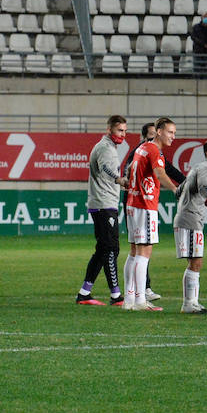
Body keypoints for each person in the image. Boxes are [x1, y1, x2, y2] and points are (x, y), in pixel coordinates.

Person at [122, 117, 179, 311]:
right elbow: (160, 173)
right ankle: (139, 300)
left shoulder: (142, 147)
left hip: (132, 202)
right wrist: (174, 189)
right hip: (145, 204)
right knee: (144, 252)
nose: (173, 136)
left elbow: (130, 170)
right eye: (170, 132)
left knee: (134, 252)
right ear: (160, 132)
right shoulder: (154, 150)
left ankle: (129, 299)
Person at [173, 139, 207, 315]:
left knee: (195, 261)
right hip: (190, 220)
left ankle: (192, 302)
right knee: (195, 261)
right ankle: (189, 303)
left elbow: (178, 191)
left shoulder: (197, 167)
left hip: (188, 218)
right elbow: (205, 188)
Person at [79, 115, 127, 306]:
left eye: (124, 130)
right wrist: (119, 179)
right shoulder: (106, 148)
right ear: (109, 130)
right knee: (111, 248)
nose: (122, 134)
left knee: (102, 250)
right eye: (119, 130)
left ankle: (84, 293)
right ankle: (116, 296)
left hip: (103, 203)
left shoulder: (107, 147)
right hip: (103, 204)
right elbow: (106, 168)